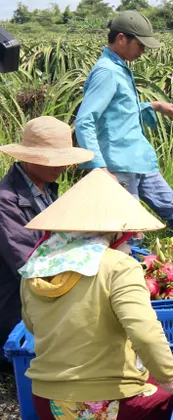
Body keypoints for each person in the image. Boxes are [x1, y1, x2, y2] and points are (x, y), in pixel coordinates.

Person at [19, 170, 173, 420]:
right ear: (116, 230)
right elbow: (146, 336)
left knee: (145, 381)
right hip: (108, 416)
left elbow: (33, 327)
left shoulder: (35, 269)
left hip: (51, 412)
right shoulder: (117, 266)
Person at [74, 10, 173, 236]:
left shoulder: (119, 67)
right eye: (140, 45)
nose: (143, 51)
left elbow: (119, 111)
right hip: (119, 166)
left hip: (138, 161)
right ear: (121, 39)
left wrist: (156, 106)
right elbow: (85, 120)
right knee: (130, 230)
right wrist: (99, 167)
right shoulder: (106, 72)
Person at [0, 117, 93, 349]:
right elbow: (28, 265)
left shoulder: (47, 189)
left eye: (63, 160)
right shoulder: (5, 202)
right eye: (52, 160)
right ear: (28, 158)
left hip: (43, 296)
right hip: (16, 308)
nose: (60, 167)